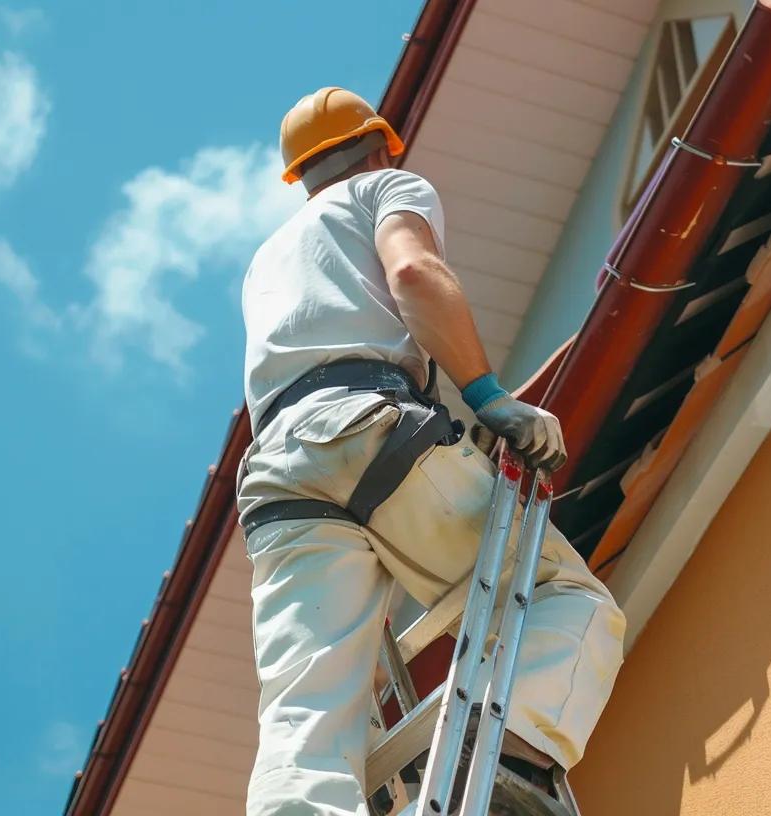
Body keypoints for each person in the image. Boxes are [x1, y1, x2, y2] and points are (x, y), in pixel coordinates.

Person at [235, 87, 625, 816]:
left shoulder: (268, 258)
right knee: (569, 599)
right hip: (366, 426)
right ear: (381, 146)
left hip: (275, 479)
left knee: (305, 716)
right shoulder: (387, 187)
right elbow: (412, 273)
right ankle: (500, 762)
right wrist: (489, 398)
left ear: (302, 177)